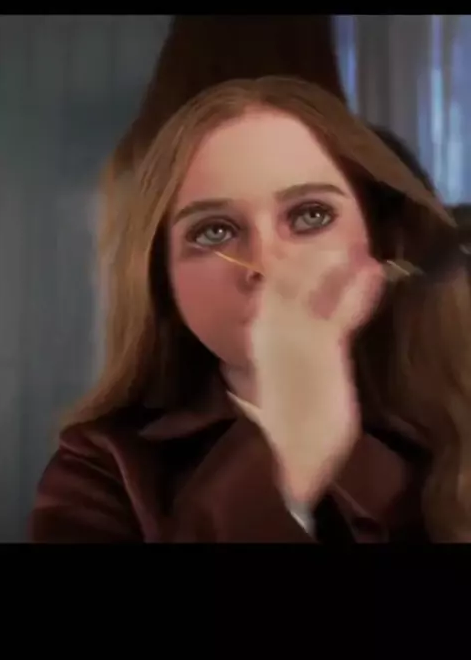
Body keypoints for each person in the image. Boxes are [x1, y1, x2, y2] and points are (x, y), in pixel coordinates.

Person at [30, 77, 471, 543]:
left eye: (311, 215)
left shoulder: (452, 426)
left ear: (382, 244)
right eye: (215, 231)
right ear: (162, 279)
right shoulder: (98, 472)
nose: (266, 265)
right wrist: (282, 462)